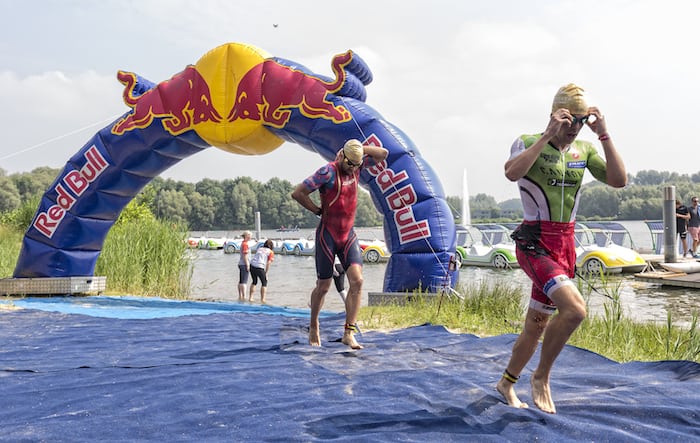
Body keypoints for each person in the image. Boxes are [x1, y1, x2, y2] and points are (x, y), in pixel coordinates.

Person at [498, 83, 627, 414]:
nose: (574, 129)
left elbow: (618, 180)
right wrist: (546, 136)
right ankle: (541, 377)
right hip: (534, 243)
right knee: (576, 310)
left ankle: (506, 382)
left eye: (581, 121)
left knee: (536, 325)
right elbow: (511, 173)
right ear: (555, 116)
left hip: (565, 244)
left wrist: (603, 134)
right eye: (570, 120)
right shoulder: (527, 142)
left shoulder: (583, 150)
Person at [291, 139, 388, 349]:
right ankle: (314, 323)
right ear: (342, 156)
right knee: (323, 286)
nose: (353, 168)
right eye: (350, 163)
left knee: (358, 281)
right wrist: (316, 210)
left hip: (348, 236)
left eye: (357, 164)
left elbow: (383, 153)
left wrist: (361, 150)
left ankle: (348, 333)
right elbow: (298, 193)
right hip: (327, 235)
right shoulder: (327, 172)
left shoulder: (357, 165)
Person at [237, 231, 252, 301]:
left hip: (241, 263)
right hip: (244, 264)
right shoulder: (245, 244)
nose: (250, 237)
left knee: (241, 281)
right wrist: (248, 265)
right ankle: (244, 296)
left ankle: (240, 296)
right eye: (249, 236)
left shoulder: (243, 243)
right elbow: (245, 255)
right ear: (246, 236)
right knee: (244, 281)